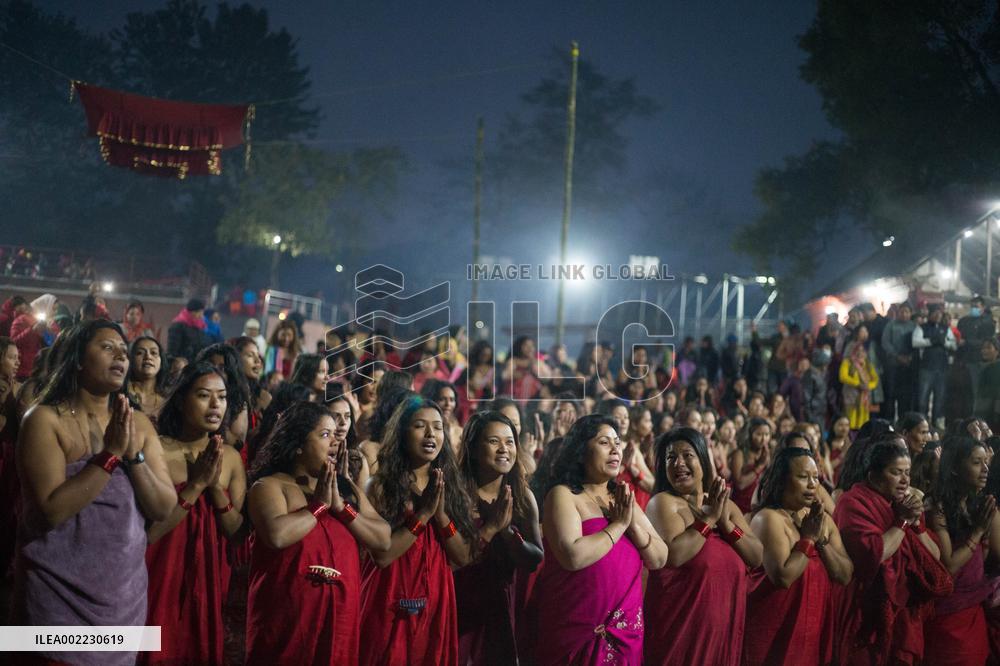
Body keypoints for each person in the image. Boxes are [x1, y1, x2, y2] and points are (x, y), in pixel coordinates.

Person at [12, 320, 175, 666]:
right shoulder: (43, 419)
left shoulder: (139, 425)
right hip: (54, 594)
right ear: (77, 359)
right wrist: (108, 456)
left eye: (122, 349)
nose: (121, 355)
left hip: (121, 598)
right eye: (106, 347)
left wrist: (133, 456)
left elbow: (163, 507)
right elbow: (48, 512)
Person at [245, 401, 391, 665]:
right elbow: (277, 535)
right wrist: (318, 507)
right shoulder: (269, 486)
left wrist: (341, 508)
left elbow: (383, 539)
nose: (334, 442)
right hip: (288, 620)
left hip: (340, 618)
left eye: (336, 435)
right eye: (325, 435)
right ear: (298, 443)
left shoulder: (345, 491)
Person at [527, 414, 668, 665]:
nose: (615, 448)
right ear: (581, 451)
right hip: (576, 631)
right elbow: (573, 556)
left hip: (624, 634)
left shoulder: (623, 497)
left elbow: (659, 557)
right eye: (604, 442)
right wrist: (619, 525)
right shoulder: (563, 495)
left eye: (617, 442)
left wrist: (631, 525)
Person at [141, 362, 248, 666]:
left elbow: (237, 534)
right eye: (204, 395)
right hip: (160, 574)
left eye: (222, 396)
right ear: (181, 399)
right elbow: (149, 533)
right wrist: (196, 485)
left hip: (209, 578)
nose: (216, 405)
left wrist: (214, 490)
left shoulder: (230, 458)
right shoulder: (157, 450)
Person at [360, 395, 477, 665]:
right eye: (420, 426)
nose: (430, 434)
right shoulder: (379, 486)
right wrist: (422, 515)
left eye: (437, 427)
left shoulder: (451, 486)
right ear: (401, 432)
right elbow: (383, 556)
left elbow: (462, 557)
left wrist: (441, 513)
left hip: (435, 598)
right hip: (389, 598)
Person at [644, 427, 761, 665]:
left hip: (723, 631)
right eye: (670, 458)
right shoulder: (663, 503)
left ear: (703, 460)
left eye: (688, 455)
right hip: (682, 633)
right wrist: (708, 520)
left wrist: (727, 526)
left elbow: (756, 556)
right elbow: (675, 555)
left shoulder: (724, 506)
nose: (679, 463)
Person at [833, 439, 952, 665]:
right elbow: (875, 554)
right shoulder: (853, 503)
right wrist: (902, 521)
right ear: (873, 476)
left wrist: (915, 523)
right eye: (896, 472)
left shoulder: (902, 504)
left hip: (903, 614)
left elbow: (934, 558)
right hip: (865, 610)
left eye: (907, 472)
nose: (905, 480)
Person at [744, 447, 853, 665]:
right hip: (775, 634)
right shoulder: (767, 519)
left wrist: (821, 543)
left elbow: (845, 574)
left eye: (815, 477)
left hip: (812, 630)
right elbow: (783, 577)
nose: (813, 484)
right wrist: (808, 540)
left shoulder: (820, 520)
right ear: (782, 480)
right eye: (803, 477)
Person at [454, 411, 543, 665]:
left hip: (500, 603)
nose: (504, 449)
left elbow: (535, 558)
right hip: (459, 599)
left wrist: (507, 533)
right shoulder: (456, 494)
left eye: (510, 441)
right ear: (472, 449)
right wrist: (490, 527)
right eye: (494, 441)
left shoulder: (522, 496)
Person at [923, 436, 996, 666]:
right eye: (976, 462)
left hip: (973, 609)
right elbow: (949, 566)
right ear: (954, 468)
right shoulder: (938, 507)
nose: (985, 469)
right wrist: (977, 533)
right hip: (949, 615)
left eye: (987, 462)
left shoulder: (976, 504)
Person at [913, 306, 956, 429]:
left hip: (942, 368)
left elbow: (953, 344)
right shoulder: (921, 327)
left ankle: (937, 420)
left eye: (940, 313)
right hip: (926, 368)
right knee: (923, 397)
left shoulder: (946, 328)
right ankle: (921, 421)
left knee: (940, 396)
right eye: (935, 313)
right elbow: (915, 342)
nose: (938, 316)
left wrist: (945, 343)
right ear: (930, 315)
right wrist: (931, 341)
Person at [881, 302, 916, 422]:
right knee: (890, 395)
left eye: (907, 312)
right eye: (902, 311)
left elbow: (917, 344)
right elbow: (885, 343)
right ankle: (889, 422)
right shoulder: (890, 325)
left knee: (905, 397)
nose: (904, 314)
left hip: (908, 367)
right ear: (898, 312)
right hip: (893, 366)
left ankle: (903, 422)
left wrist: (910, 357)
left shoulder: (914, 326)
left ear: (911, 313)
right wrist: (897, 356)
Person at [728, 417, 772, 513]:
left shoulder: (768, 454)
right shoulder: (739, 454)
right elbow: (740, 484)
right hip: (739, 507)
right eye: (759, 434)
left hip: (759, 507)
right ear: (749, 435)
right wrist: (760, 466)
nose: (764, 439)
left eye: (767, 434)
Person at [958, 296, 996, 406]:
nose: (974, 308)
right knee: (965, 392)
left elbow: (986, 341)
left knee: (977, 390)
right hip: (965, 360)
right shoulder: (964, 321)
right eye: (972, 306)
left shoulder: (987, 323)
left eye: (976, 306)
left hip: (979, 360)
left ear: (983, 307)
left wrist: (967, 342)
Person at [11, 293, 57, 380]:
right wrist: (32, 330)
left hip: (39, 369)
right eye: (53, 308)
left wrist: (45, 331)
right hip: (23, 369)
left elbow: (52, 343)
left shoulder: (49, 323)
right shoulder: (21, 320)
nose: (54, 312)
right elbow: (14, 341)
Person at [840, 336, 880, 430]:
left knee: (863, 424)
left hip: (864, 396)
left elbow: (875, 379)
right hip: (852, 395)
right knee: (850, 422)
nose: (860, 353)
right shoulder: (848, 362)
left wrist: (868, 386)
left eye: (863, 351)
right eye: (858, 350)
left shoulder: (868, 365)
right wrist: (857, 384)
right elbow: (843, 377)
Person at [128, 336, 168, 423]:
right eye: (140, 353)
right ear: (130, 361)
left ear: (161, 362)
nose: (148, 356)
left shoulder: (167, 402)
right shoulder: (122, 394)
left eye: (154, 353)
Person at [167, 298, 208, 363]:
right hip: (182, 364)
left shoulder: (199, 325)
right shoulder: (178, 326)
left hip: (195, 363)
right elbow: (172, 350)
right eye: (200, 312)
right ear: (192, 312)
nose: (201, 316)